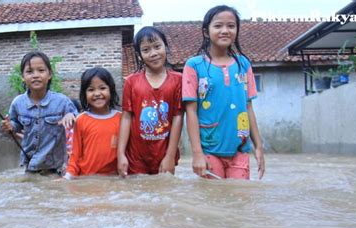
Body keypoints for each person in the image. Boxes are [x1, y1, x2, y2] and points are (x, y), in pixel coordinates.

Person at [182, 5, 265, 180]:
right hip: (209, 148)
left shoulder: (244, 64)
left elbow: (248, 106)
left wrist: (258, 146)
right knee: (213, 201)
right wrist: (197, 153)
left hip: (240, 147)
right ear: (206, 31)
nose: (225, 31)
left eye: (231, 26)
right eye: (218, 26)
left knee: (239, 201)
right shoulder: (194, 66)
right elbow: (191, 111)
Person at [117, 26, 183, 177]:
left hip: (165, 153)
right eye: (146, 50)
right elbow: (126, 117)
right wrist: (121, 154)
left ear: (165, 47)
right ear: (139, 55)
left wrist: (170, 156)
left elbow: (178, 116)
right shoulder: (131, 82)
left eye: (157, 47)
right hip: (135, 156)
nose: (153, 53)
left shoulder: (178, 80)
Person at [1, 51, 77, 176]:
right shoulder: (17, 103)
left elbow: (78, 118)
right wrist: (9, 126)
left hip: (56, 168)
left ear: (49, 75)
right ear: (23, 77)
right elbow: (15, 125)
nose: (35, 75)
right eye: (30, 72)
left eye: (41, 70)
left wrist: (71, 115)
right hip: (29, 166)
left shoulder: (62, 101)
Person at [64, 67, 121, 179]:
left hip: (113, 179)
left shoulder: (121, 119)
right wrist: (68, 177)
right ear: (84, 94)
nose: (97, 93)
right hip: (87, 178)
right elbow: (75, 155)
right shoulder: (81, 120)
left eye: (102, 88)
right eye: (91, 90)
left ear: (111, 90)